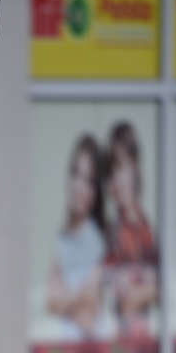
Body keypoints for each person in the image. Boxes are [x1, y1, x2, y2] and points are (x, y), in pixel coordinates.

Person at [46, 134, 106, 341]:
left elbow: (88, 318)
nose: (79, 186)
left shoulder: (99, 239)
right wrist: (78, 296)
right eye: (76, 174)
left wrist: (65, 300)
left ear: (97, 190)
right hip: (66, 347)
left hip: (91, 349)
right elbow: (51, 302)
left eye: (88, 181)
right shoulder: (62, 235)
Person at [104, 122, 159, 340]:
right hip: (120, 339)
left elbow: (164, 289)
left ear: (135, 168)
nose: (116, 181)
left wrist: (146, 290)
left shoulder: (148, 228)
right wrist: (148, 289)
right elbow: (121, 297)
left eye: (121, 167)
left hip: (148, 338)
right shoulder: (110, 231)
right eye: (111, 173)